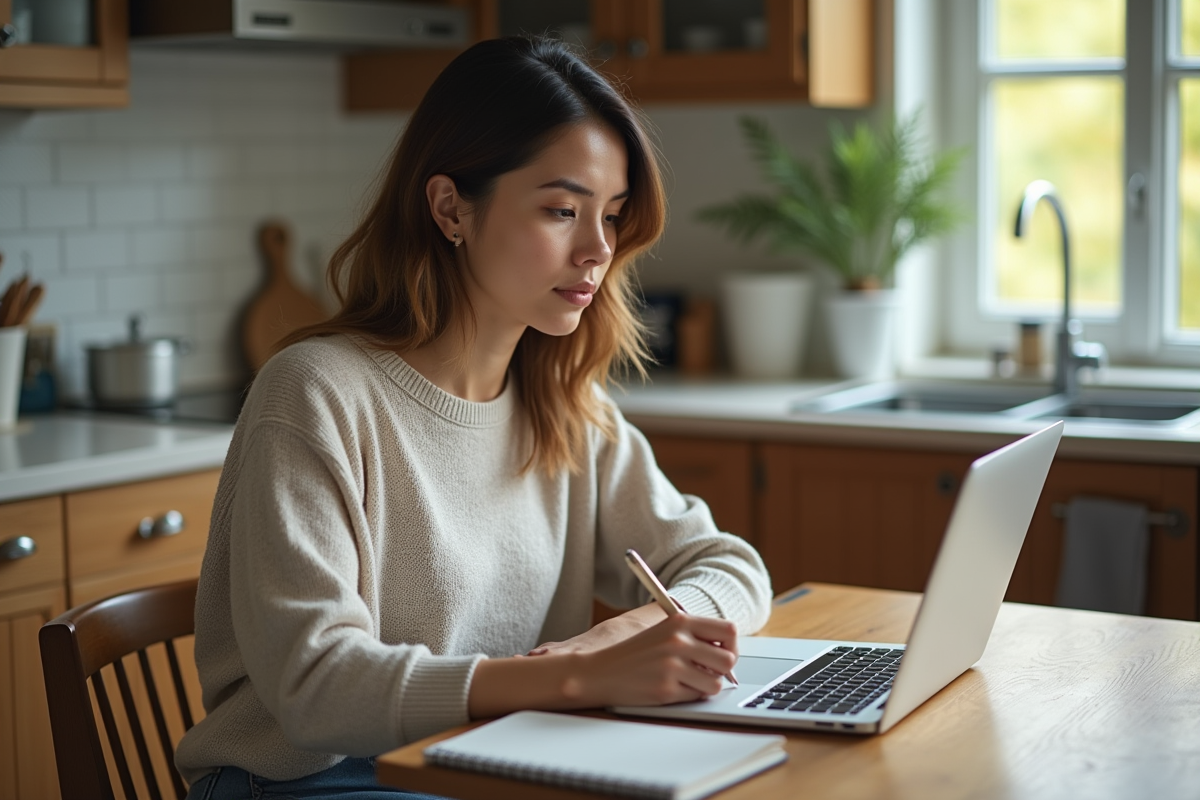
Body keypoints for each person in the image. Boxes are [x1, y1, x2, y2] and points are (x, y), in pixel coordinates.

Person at [177, 36, 773, 799]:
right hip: (311, 781)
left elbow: (732, 568)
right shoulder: (316, 392)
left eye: (613, 216)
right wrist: (571, 677)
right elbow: (315, 688)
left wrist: (633, 633)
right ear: (451, 207)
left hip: (480, 758)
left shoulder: (564, 405)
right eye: (562, 210)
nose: (597, 249)